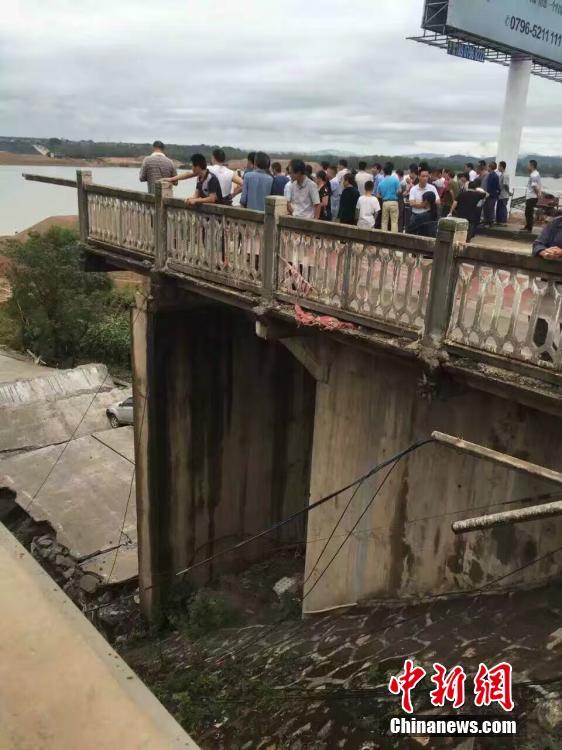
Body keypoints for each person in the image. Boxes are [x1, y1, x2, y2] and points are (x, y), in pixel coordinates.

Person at [452, 176, 487, 240]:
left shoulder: (462, 194)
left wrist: (451, 211)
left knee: (460, 231)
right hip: (471, 215)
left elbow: (455, 202)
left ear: (468, 187)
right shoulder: (477, 194)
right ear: (475, 188)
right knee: (469, 232)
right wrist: (477, 190)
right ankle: (467, 240)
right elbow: (486, 194)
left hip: (461, 214)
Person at [377, 163, 400, 232]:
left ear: (384, 172)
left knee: (384, 221)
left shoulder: (381, 182)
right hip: (394, 202)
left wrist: (384, 196)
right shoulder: (395, 180)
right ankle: (394, 238)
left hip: (385, 202)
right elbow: (399, 190)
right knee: (394, 222)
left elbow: (378, 195)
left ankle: (384, 237)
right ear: (391, 171)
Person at [524, 159, 542, 232]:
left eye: (528, 165)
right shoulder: (536, 173)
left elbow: (534, 186)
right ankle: (527, 226)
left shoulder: (534, 175)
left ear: (532, 166)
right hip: (532, 196)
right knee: (528, 212)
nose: (527, 166)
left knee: (529, 212)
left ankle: (529, 228)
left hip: (532, 196)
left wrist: (538, 195)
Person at [496, 161, 511, 226]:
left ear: (502, 166)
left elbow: (505, 185)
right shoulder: (501, 174)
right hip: (500, 195)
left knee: (503, 208)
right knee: (499, 208)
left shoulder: (505, 175)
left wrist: (509, 192)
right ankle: (499, 221)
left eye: (499, 166)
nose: (498, 167)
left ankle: (503, 222)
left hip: (504, 195)